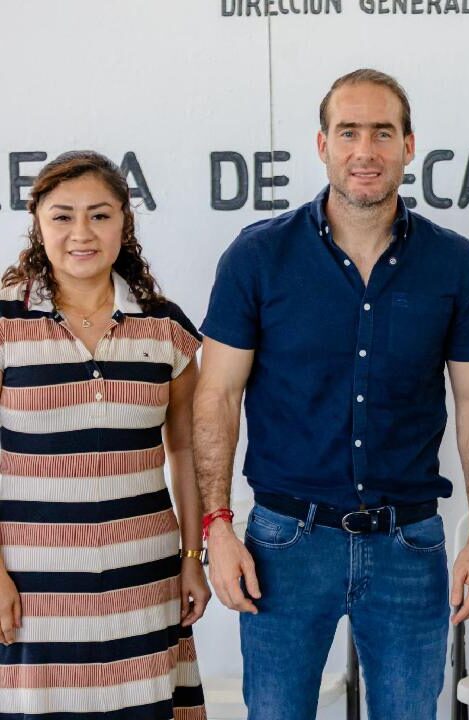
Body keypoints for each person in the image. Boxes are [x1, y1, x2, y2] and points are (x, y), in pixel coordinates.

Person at [194, 68, 469, 719]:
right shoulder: (258, 258)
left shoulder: (453, 264)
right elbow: (216, 396)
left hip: (409, 546)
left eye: (382, 133)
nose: (365, 151)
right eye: (349, 132)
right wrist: (217, 526)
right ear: (322, 144)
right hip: (284, 545)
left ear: (410, 145)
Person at [0, 151, 208, 718]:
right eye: (62, 216)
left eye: (99, 215)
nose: (81, 233)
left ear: (125, 222)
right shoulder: (5, 323)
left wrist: (193, 556)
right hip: (30, 589)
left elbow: (186, 451)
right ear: (38, 225)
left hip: (142, 582)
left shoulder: (166, 327)